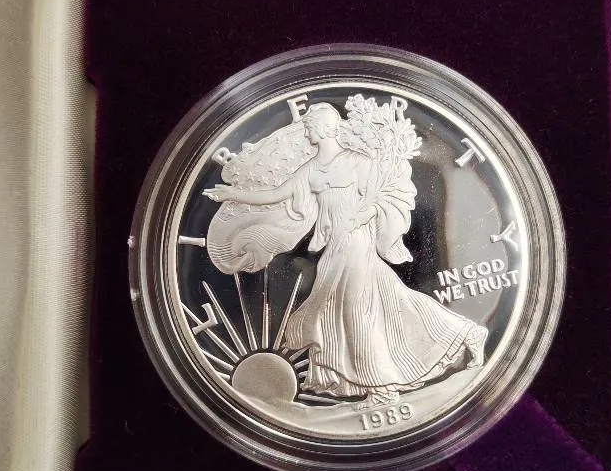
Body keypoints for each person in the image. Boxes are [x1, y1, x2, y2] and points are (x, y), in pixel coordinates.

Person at [204, 100, 486, 409]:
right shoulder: (311, 169)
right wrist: (233, 194)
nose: (307, 132)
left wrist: (362, 215)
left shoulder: (357, 161)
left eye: (310, 126)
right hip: (335, 246)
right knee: (390, 300)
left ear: (326, 128)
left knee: (354, 310)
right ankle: (467, 333)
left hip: (357, 242)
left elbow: (383, 195)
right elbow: (275, 195)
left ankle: (382, 388)